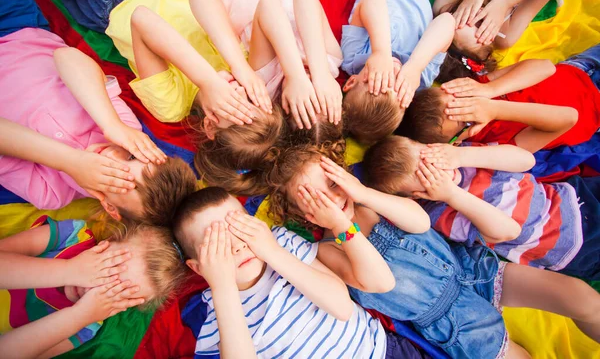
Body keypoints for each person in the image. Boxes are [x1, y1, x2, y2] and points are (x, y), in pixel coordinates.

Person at [267, 143, 600, 358]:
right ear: (304, 214)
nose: (331, 196)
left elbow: (419, 222)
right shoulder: (327, 249)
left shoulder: (372, 201)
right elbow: (380, 283)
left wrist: (363, 194)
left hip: (472, 271)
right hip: (454, 322)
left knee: (580, 296)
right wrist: (341, 226)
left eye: (330, 182)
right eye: (313, 198)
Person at [52, 0, 286, 195]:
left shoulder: (171, 105)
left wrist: (208, 81)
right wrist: (240, 65)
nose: (238, 91)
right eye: (251, 100)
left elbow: (142, 18)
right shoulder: (237, 69)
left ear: (209, 125)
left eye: (235, 107)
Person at [0, 0, 197, 225]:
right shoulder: (124, 130)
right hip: (19, 26)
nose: (117, 162)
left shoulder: (51, 193)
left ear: (109, 207)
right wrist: (110, 124)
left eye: (120, 180)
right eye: (131, 158)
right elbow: (66, 56)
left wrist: (71, 162)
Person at [172, 187, 429, 358]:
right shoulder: (214, 313)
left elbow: (342, 307)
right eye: (217, 245)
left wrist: (272, 251)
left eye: (239, 228)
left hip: (377, 352)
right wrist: (223, 286)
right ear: (197, 267)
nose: (237, 245)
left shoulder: (281, 244)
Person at [364, 136, 600, 281]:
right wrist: (452, 194)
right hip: (575, 244)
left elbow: (526, 160)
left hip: (576, 196)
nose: (439, 171)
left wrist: (462, 154)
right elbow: (509, 231)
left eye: (428, 159)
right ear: (418, 195)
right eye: (426, 176)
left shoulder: (464, 154)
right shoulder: (443, 215)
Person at [184, 0, 343, 130]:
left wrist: (294, 75)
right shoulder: (329, 63)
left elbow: (269, 3)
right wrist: (321, 74)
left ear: (287, 104)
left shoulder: (267, 82)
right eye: (320, 93)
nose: (310, 82)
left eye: (308, 96)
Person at [0, 215, 186, 358]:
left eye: (117, 290)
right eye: (109, 269)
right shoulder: (72, 237)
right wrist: (69, 270)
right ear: (107, 243)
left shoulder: (86, 326)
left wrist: (79, 316)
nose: (96, 285)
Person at [398, 46, 600, 153]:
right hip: (595, 112)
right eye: (464, 116)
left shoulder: (479, 87)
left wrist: (489, 88)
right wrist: (494, 109)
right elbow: (569, 117)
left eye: (458, 98)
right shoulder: (496, 145)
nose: (473, 105)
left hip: (580, 69)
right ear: (455, 142)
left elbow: (546, 67)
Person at [340, 0, 455, 145]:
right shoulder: (419, 78)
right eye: (396, 87)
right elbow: (447, 21)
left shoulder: (353, 59)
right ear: (406, 98)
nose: (392, 72)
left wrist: (380, 52)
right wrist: (416, 66)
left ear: (352, 81)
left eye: (379, 78)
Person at [433, 0, 571, 71]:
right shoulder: (506, 35)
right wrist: (505, 2)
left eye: (464, 17)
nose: (477, 14)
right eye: (481, 25)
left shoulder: (446, 7)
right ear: (489, 39)